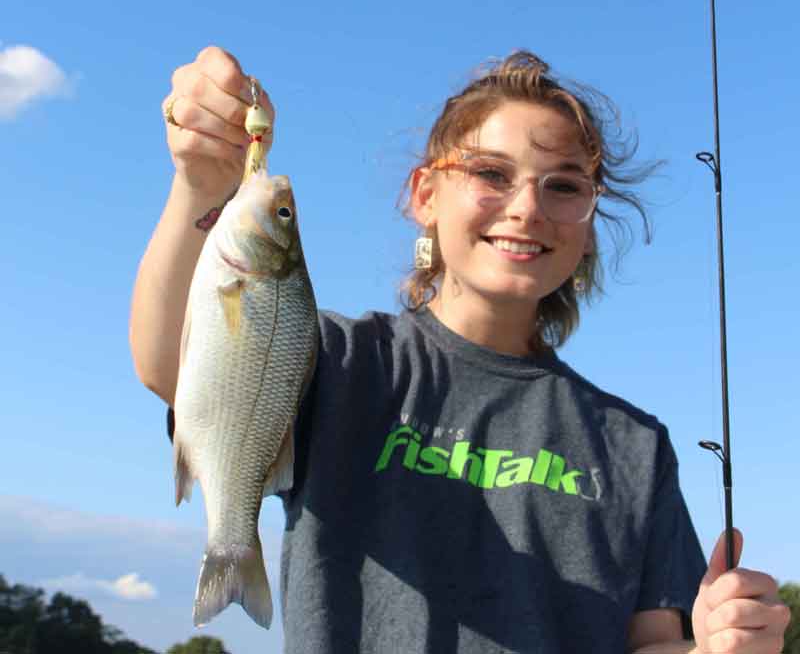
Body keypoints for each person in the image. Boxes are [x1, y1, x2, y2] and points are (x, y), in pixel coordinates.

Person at [129, 46, 790, 653]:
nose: (527, 207)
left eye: (564, 185)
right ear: (424, 195)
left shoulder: (635, 445)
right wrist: (197, 182)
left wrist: (710, 648)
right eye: (491, 173)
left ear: (588, 226)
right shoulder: (342, 362)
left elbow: (653, 640)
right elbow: (167, 364)